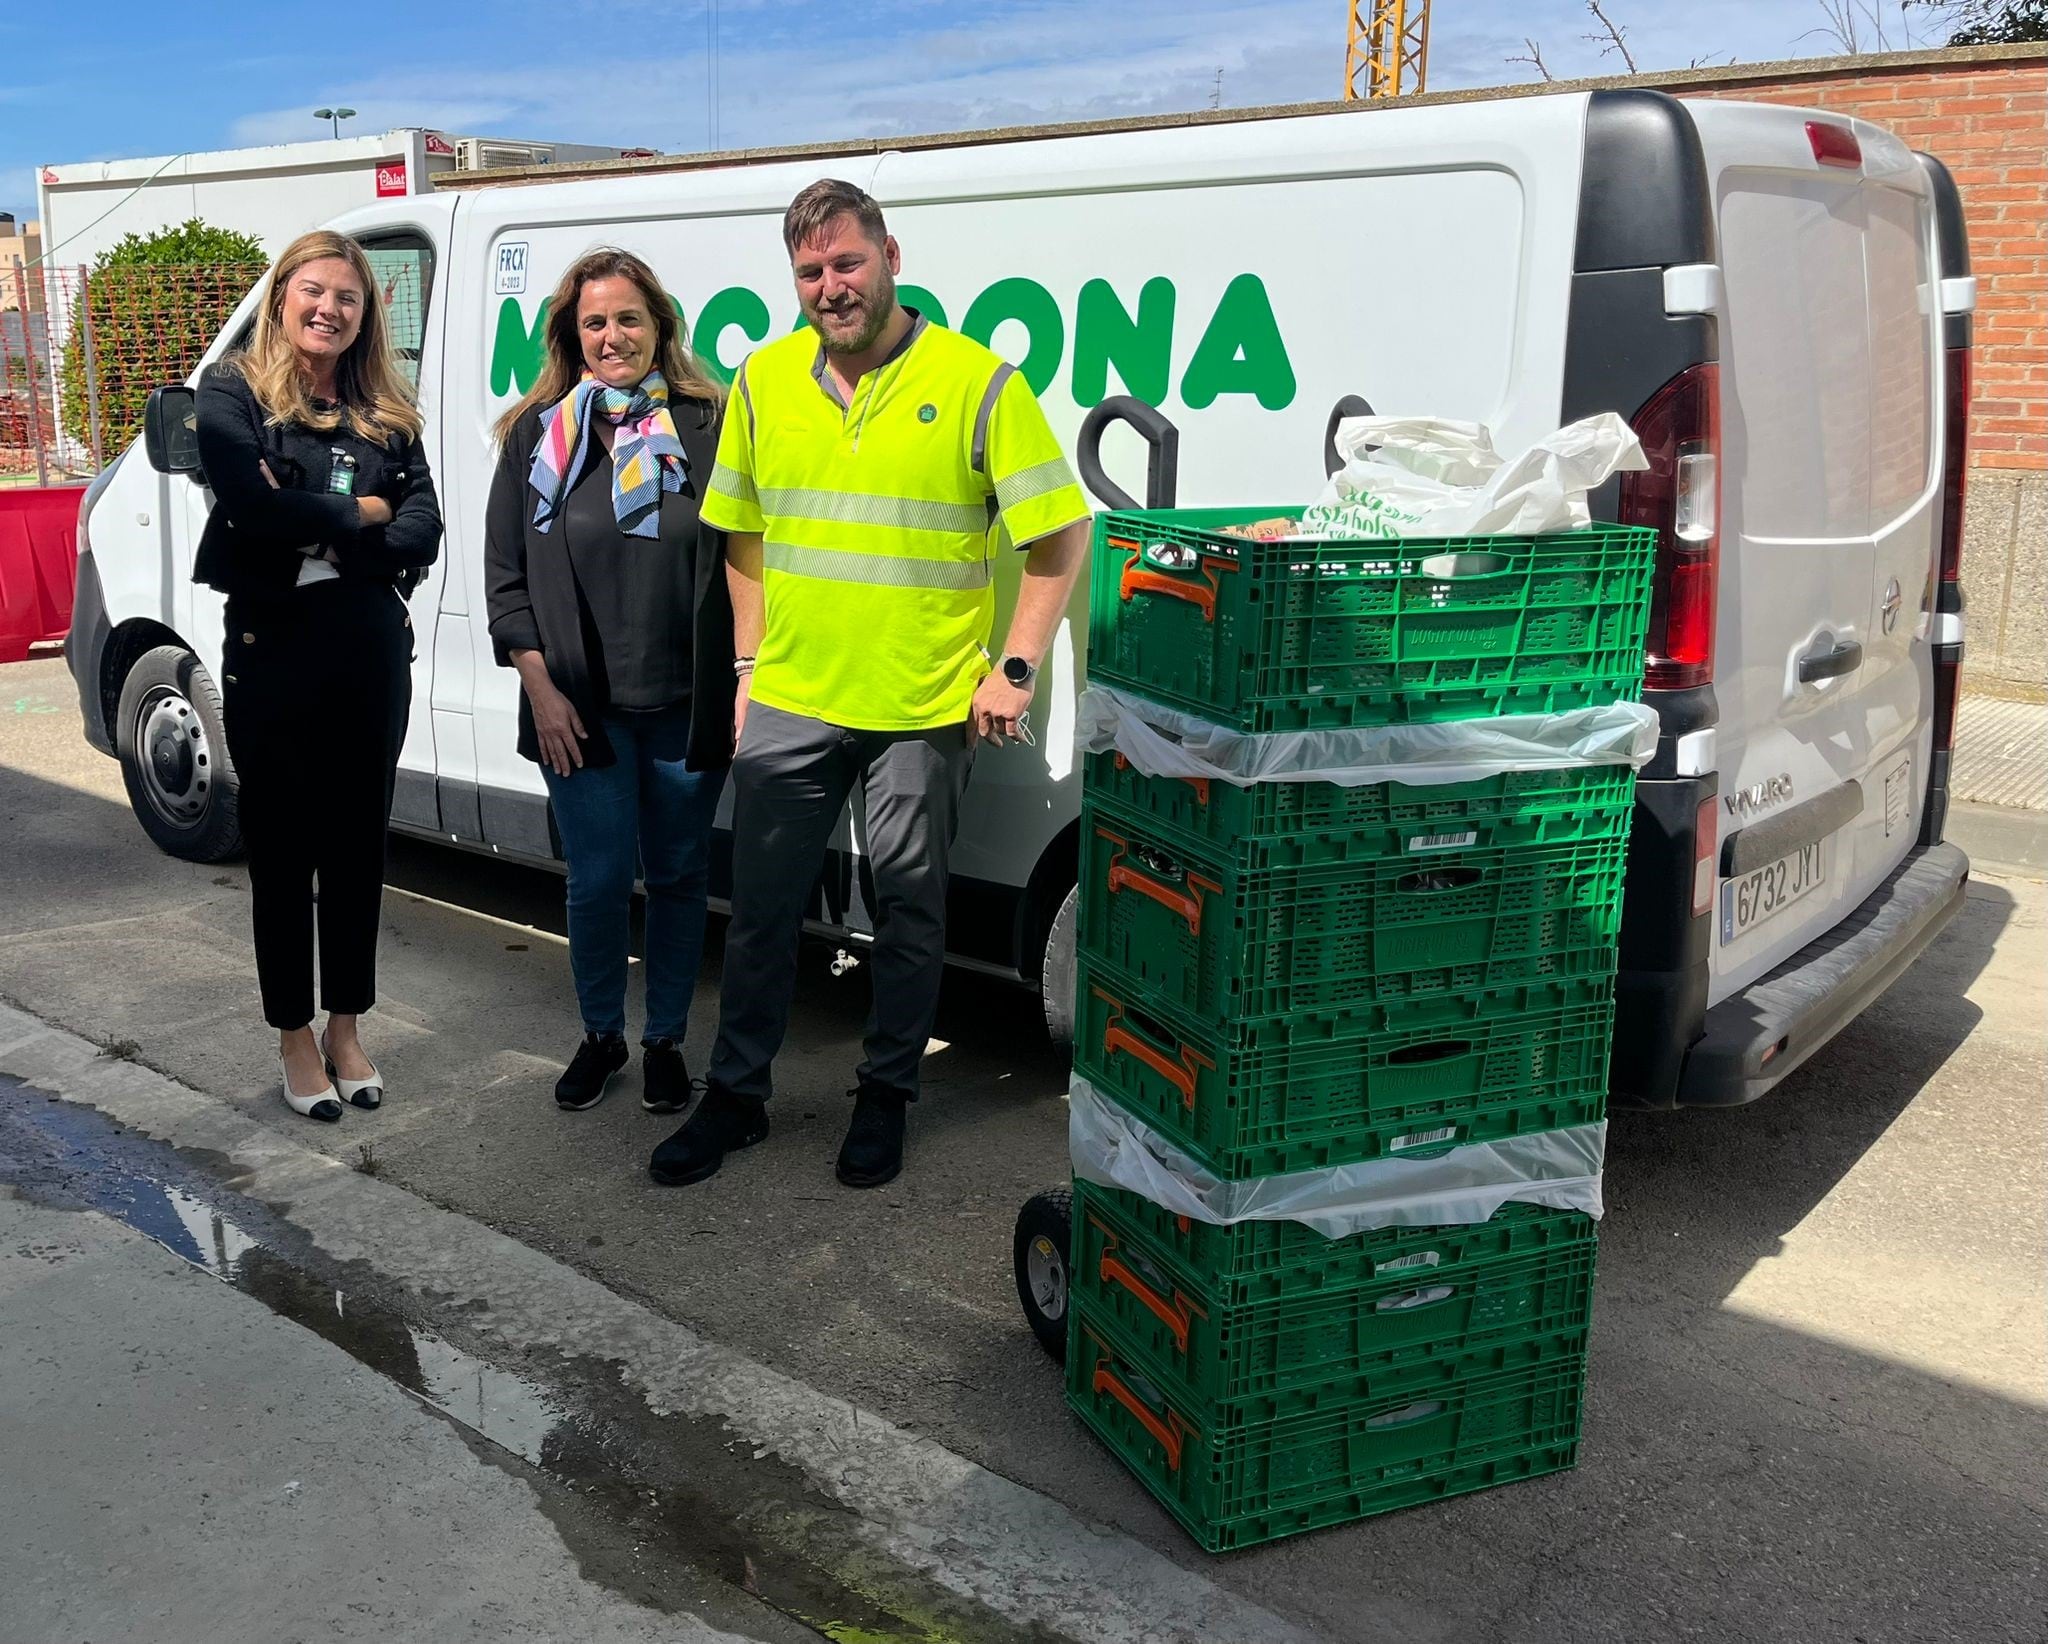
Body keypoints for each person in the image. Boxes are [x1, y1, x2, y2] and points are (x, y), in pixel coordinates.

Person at [650, 178, 1092, 1191]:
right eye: (809, 272)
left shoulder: (977, 382)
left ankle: (886, 1097)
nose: (829, 287)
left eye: (846, 263)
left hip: (920, 709)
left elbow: (1057, 537)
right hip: (793, 700)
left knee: (908, 915)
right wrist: (747, 672)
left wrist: (1013, 669)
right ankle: (736, 1098)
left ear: (892, 256)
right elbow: (744, 536)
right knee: (760, 916)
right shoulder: (762, 382)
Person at [194, 229, 442, 1123]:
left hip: (369, 650)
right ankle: (294, 1036)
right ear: (282, 296)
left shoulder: (387, 411)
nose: (329, 308)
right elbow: (253, 507)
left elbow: (426, 527)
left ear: (366, 315)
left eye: (348, 296)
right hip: (273, 650)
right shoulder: (230, 393)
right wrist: (366, 511)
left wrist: (327, 520)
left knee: (355, 852)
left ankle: (345, 1026)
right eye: (314, 289)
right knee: (283, 852)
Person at [485, 249, 736, 1114]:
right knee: (594, 882)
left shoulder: (710, 423)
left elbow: (748, 557)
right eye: (595, 321)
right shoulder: (537, 432)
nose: (612, 336)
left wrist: (743, 679)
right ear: (571, 333)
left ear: (659, 326)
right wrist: (541, 689)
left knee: (677, 879)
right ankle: (601, 1036)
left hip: (684, 705)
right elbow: (505, 576)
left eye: (628, 318)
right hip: (576, 712)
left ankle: (665, 1039)